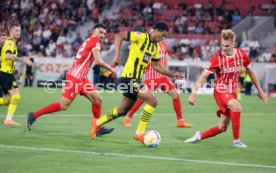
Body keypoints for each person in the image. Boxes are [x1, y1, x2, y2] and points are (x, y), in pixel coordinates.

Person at [90, 21, 184, 144]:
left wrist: (172, 75)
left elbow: (156, 66)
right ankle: (139, 133)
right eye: (163, 35)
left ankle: (97, 123)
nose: (163, 38)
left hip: (137, 80)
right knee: (152, 100)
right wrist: (117, 57)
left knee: (122, 110)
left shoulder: (155, 48)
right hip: (129, 77)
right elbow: (120, 36)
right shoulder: (140, 36)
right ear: (156, 30)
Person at [27, 24, 115, 137]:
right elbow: (98, 61)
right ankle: (33, 115)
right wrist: (110, 68)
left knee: (97, 99)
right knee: (63, 105)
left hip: (82, 78)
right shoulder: (95, 41)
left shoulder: (89, 40)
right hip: (75, 78)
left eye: (104, 33)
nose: (102, 35)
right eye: (100, 32)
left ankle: (97, 128)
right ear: (94, 32)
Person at [185, 29, 268, 148]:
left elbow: (251, 72)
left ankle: (199, 136)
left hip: (232, 92)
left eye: (227, 46)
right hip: (220, 90)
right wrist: (193, 94)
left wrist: (260, 90)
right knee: (237, 105)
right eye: (222, 45)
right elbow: (204, 75)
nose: (224, 48)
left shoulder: (242, 55)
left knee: (222, 127)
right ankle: (237, 141)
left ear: (234, 43)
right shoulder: (217, 58)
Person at [123, 40, 192, 128]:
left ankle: (180, 121)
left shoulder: (163, 44)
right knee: (143, 98)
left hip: (163, 77)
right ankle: (128, 118)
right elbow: (143, 61)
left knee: (175, 95)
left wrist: (167, 74)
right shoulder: (149, 44)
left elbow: (165, 59)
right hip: (151, 77)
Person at [0, 23, 33, 126]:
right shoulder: (10, 43)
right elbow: (9, 56)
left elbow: (9, 61)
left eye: (19, 30)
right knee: (16, 96)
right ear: (11, 31)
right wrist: (22, 59)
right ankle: (8, 120)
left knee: (10, 100)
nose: (18, 32)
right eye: (16, 30)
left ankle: (8, 119)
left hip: (7, 74)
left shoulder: (12, 43)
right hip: (5, 74)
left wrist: (16, 72)